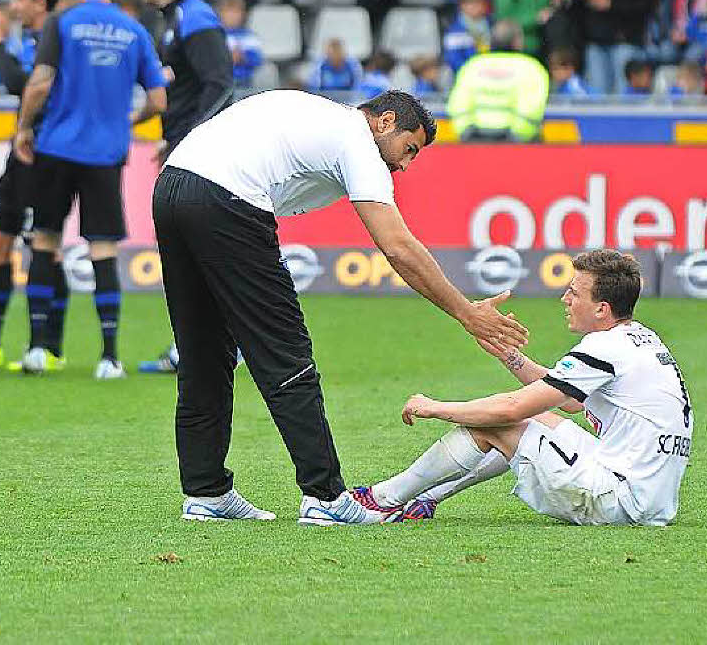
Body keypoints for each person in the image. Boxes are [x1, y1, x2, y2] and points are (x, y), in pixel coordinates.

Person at [155, 89, 528, 525]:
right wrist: (469, 314)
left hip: (172, 185)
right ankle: (326, 498)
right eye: (409, 149)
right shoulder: (357, 138)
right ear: (385, 121)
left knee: (204, 355)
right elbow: (399, 247)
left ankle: (206, 492)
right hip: (225, 199)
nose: (406, 165)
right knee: (287, 356)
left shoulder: (324, 119)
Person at [354, 250, 693, 527]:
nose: (565, 299)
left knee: (504, 421)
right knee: (538, 417)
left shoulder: (604, 347)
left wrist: (433, 407)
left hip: (619, 501)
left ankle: (384, 501)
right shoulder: (641, 338)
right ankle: (425, 498)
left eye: (574, 293)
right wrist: (507, 353)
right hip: (650, 500)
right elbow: (572, 404)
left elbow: (512, 408)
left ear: (602, 309)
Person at [11, 0, 167, 379]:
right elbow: (158, 98)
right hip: (105, 153)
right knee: (102, 248)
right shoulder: (133, 30)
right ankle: (109, 356)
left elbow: (40, 83)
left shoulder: (62, 21)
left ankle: (38, 349)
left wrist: (24, 128)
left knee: (44, 240)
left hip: (57, 147)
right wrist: (126, 120)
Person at [136, 0, 234, 375]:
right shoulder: (177, 20)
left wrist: (190, 139)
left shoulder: (194, 18)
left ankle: (204, 346)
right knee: (193, 251)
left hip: (199, 156)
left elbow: (220, 84)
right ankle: (203, 344)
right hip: (186, 147)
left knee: (197, 250)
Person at [0, 0, 65, 369]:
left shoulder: (52, 40)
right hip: (20, 154)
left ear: (39, 3)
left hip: (47, 156)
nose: (13, 5)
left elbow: (20, 85)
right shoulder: (30, 38)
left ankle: (49, 347)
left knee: (44, 249)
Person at [446, 20, 550, 141]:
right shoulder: (531, 67)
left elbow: (458, 104)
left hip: (474, 142)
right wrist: (516, 136)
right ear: (517, 42)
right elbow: (533, 107)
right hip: (517, 144)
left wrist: (467, 133)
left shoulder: (472, 65)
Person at [443, 0, 492, 74]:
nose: (476, 7)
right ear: (462, 6)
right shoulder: (455, 32)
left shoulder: (492, 25)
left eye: (479, 2)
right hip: (469, 76)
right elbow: (454, 61)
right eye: (471, 3)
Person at [217, 0, 263, 87]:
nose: (232, 16)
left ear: (244, 14)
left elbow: (257, 59)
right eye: (228, 12)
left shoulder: (249, 37)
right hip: (221, 81)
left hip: (244, 81)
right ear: (220, 13)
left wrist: (242, 57)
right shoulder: (216, 35)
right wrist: (227, 58)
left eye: (236, 12)